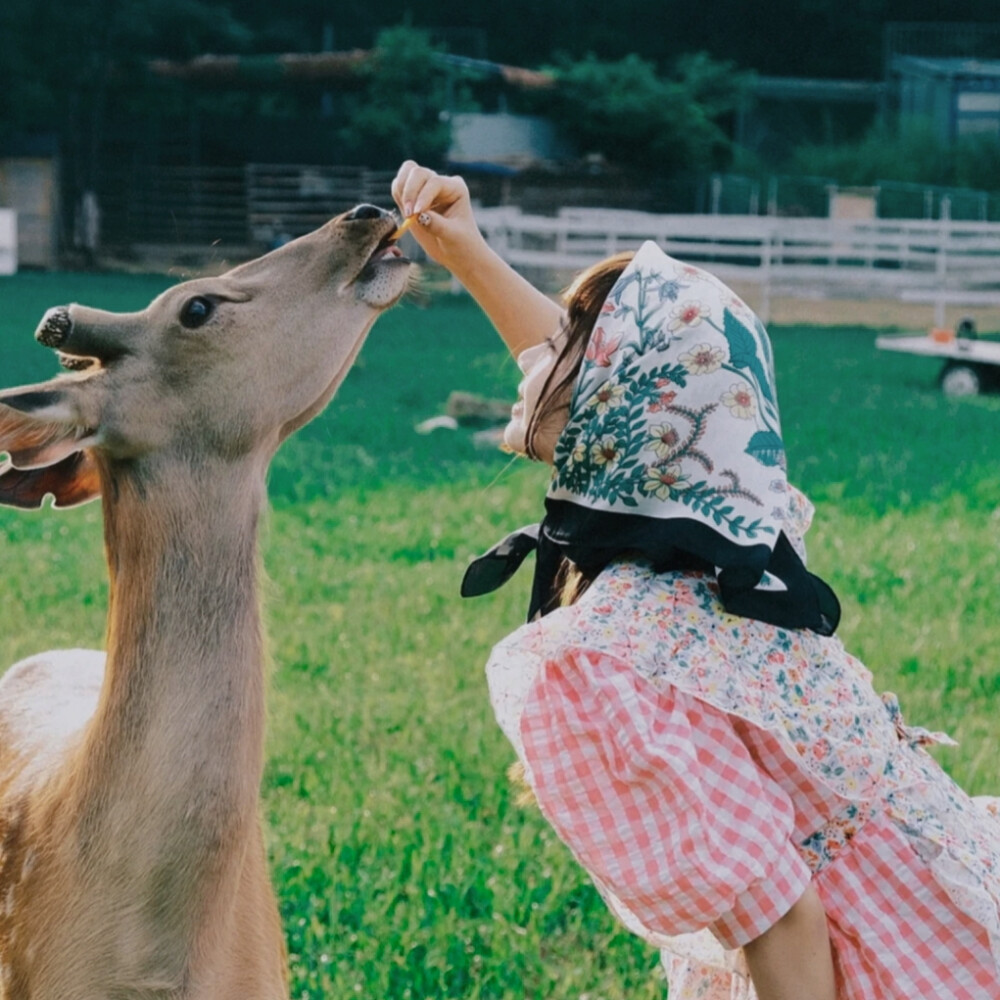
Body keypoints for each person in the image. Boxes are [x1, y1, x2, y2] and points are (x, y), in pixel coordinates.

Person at [391, 161, 1000, 1000]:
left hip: (868, 969)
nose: (542, 353)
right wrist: (466, 253)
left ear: (618, 412)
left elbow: (786, 919)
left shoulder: (617, 655)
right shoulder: (734, 550)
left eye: (573, 341)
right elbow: (613, 390)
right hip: (937, 917)